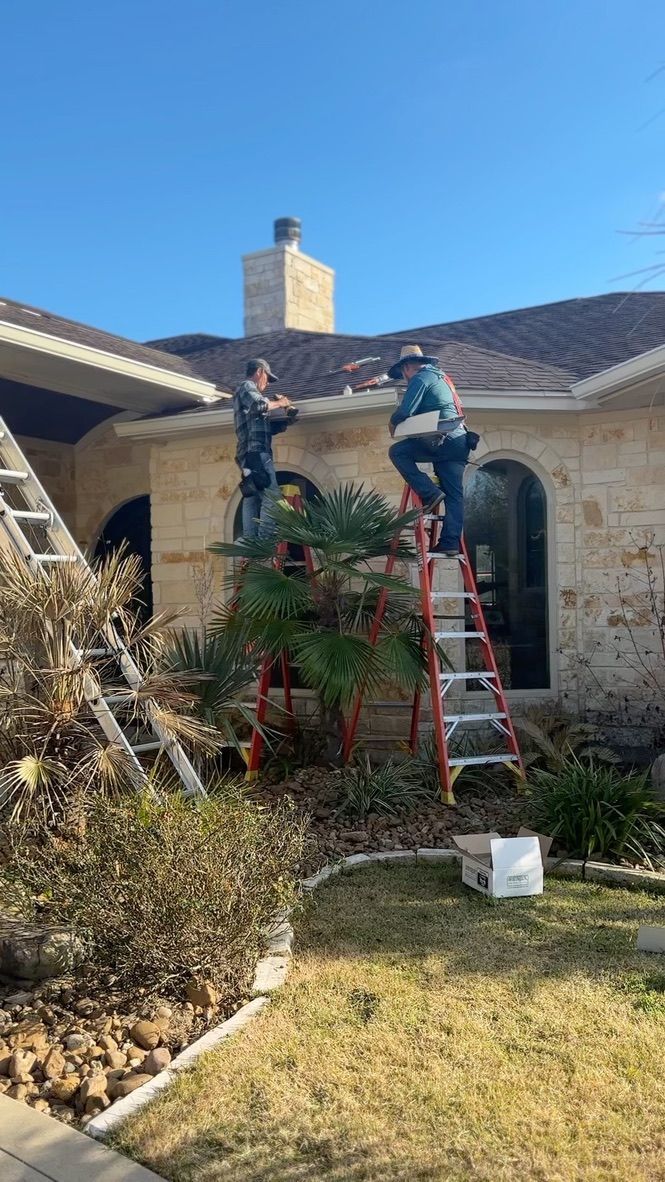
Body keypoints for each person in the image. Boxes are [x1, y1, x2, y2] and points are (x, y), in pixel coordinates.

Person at [387, 345, 470, 557]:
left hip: (441, 438)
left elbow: (406, 410)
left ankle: (429, 493)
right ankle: (450, 542)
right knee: (454, 495)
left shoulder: (420, 378)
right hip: (460, 440)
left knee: (398, 452)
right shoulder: (443, 378)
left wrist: (393, 421)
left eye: (403, 374)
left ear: (406, 367)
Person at [234, 358, 293, 540]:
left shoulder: (244, 394)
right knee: (272, 495)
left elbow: (258, 425)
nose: (267, 384)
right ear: (259, 372)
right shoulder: (246, 386)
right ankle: (265, 541)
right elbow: (259, 405)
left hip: (247, 456)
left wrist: (285, 422)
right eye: (267, 378)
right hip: (257, 453)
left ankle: (251, 542)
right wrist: (281, 403)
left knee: (251, 496)